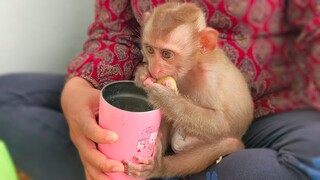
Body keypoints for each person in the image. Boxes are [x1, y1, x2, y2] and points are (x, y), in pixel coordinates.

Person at [0, 0, 320, 179]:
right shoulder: (162, 65)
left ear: (205, 44)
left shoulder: (213, 78)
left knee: (253, 165)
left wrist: (168, 102)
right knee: (6, 97)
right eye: (150, 50)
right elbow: (115, 31)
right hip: (161, 120)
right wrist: (77, 91)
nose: (155, 66)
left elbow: (221, 127)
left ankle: (163, 171)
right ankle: (138, 169)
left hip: (271, 112)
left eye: (166, 55)